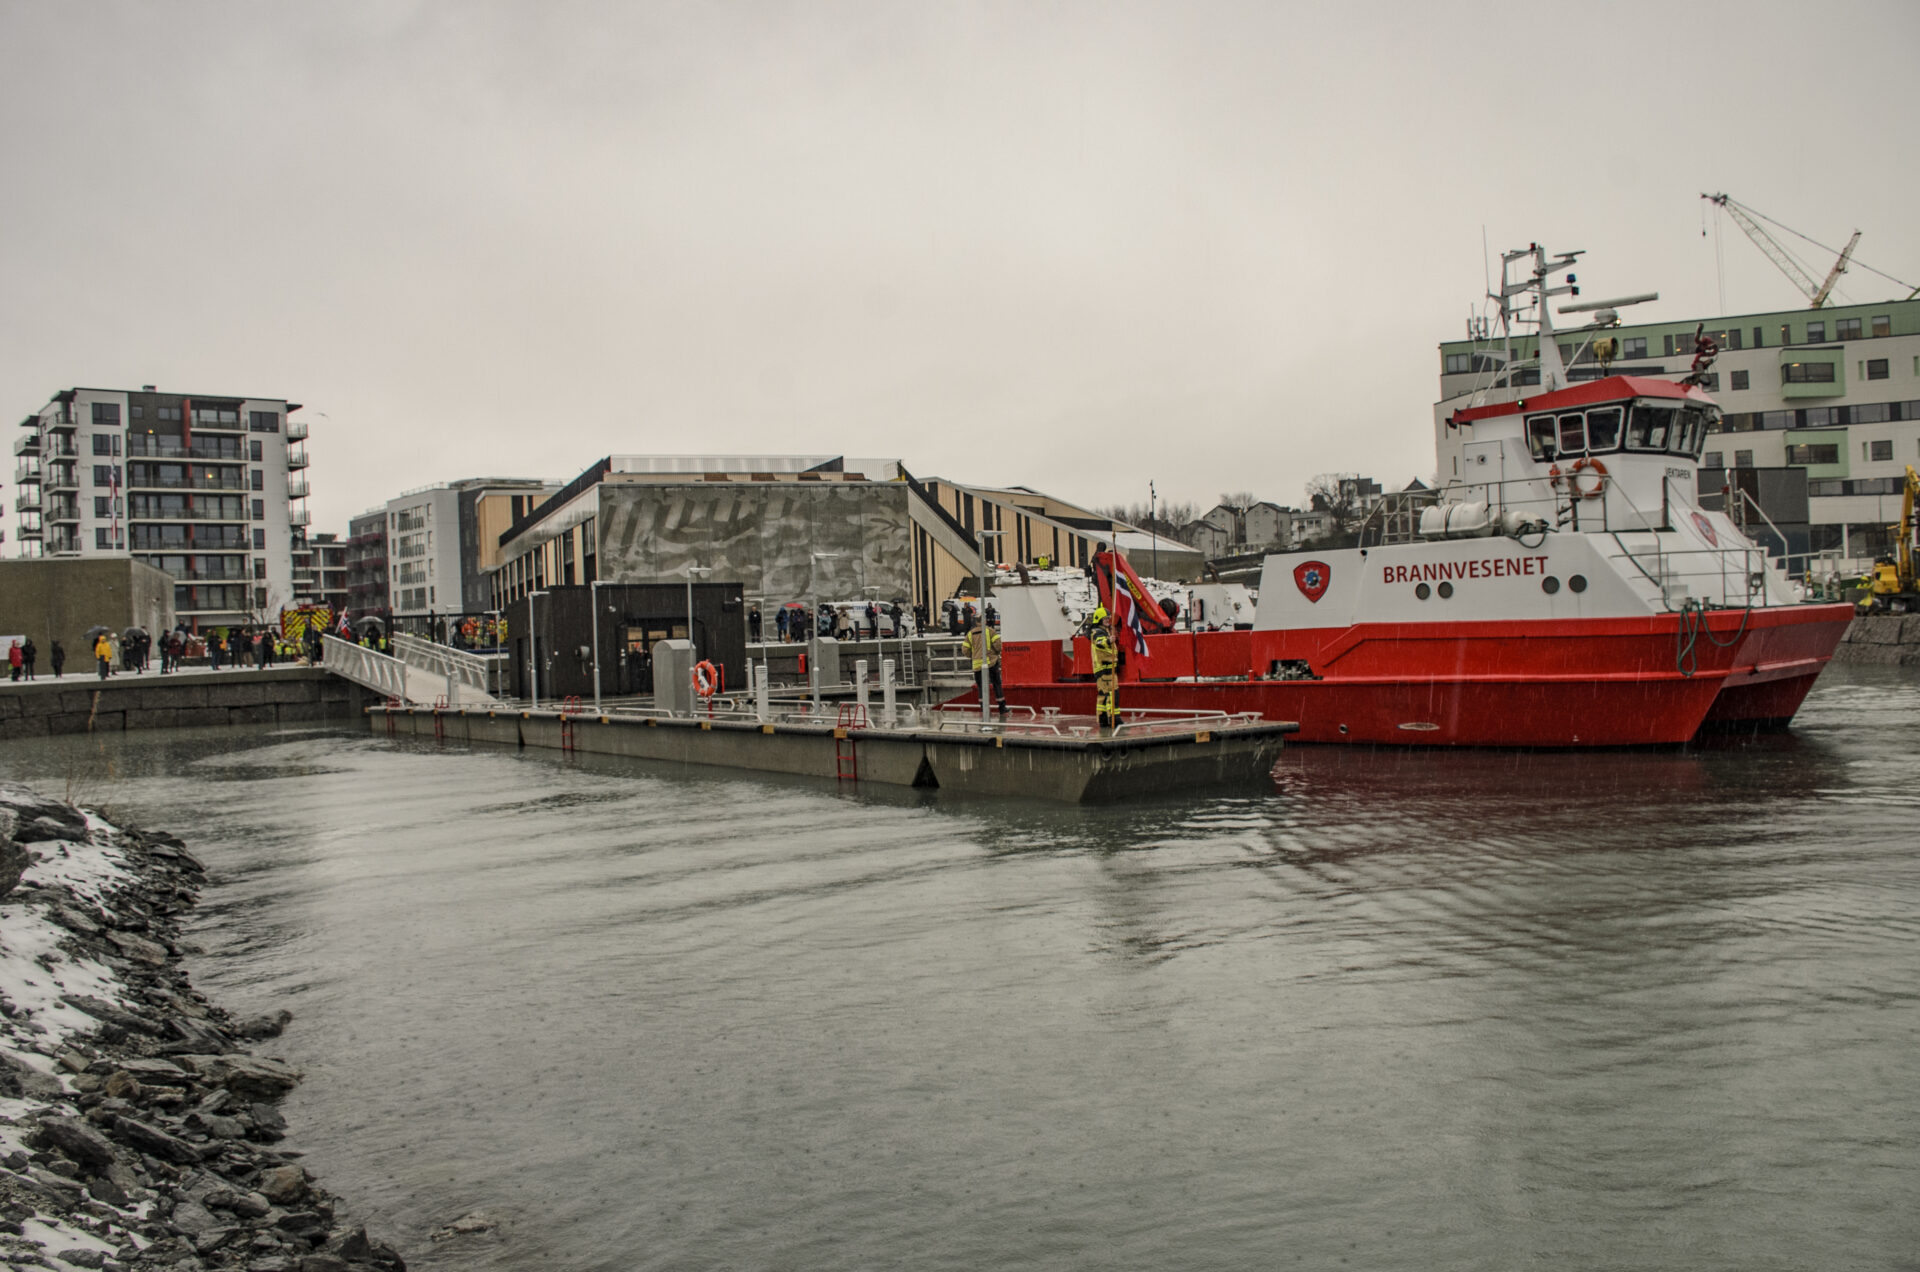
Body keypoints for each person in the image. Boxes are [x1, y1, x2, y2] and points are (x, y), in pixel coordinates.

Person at [968, 616, 1008, 715]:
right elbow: (998, 645)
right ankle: (1002, 707)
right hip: (991, 663)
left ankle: (984, 709)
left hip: (977, 665)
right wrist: (994, 653)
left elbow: (965, 650)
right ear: (984, 621)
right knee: (996, 684)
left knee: (981, 686)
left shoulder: (970, 634)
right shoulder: (990, 631)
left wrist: (974, 656)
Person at [1090, 607, 1120, 730]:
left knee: (1103, 694)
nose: (1108, 620)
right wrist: (1108, 640)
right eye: (1105, 619)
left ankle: (1103, 719)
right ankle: (1114, 718)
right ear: (1099, 620)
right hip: (1106, 669)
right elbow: (1099, 642)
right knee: (1113, 693)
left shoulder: (1102, 631)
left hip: (1103, 669)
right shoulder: (1098, 632)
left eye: (1108, 618)